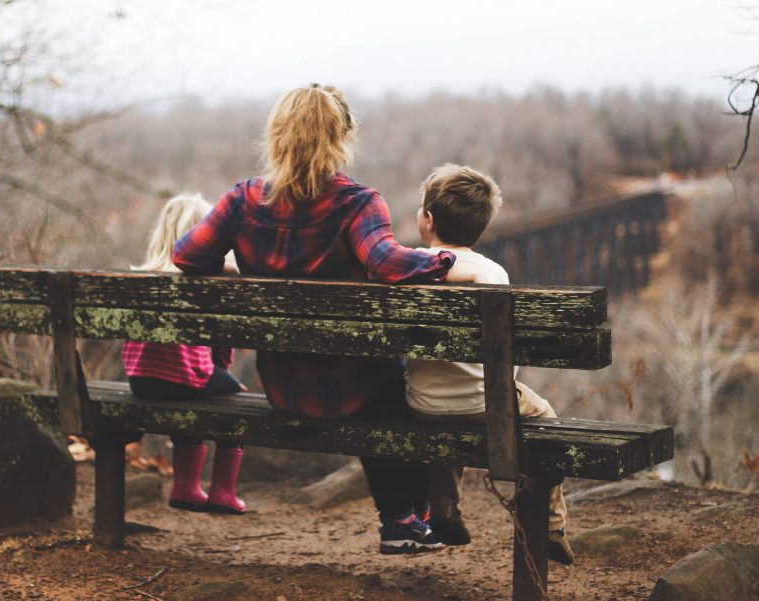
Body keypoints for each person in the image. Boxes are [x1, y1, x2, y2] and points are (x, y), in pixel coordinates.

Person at [174, 84, 456, 554]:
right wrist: (444, 260)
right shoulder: (357, 203)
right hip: (353, 391)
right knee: (397, 382)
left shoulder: (242, 201)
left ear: (277, 136)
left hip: (283, 388)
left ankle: (407, 519)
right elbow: (386, 262)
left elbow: (186, 256)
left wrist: (233, 267)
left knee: (382, 378)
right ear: (343, 137)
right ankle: (405, 517)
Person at [406, 163, 575, 564]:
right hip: (487, 405)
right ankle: (552, 524)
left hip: (422, 405)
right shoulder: (493, 273)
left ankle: (444, 508)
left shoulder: (407, 266)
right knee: (545, 417)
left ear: (427, 220)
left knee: (444, 413)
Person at [123, 193, 248, 515]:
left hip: (140, 381)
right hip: (184, 378)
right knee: (236, 399)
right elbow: (220, 344)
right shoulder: (203, 280)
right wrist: (225, 376)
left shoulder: (142, 277)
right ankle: (222, 492)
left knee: (191, 390)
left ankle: (186, 486)